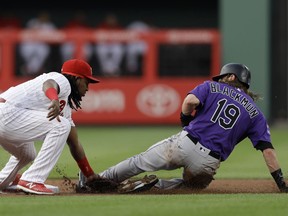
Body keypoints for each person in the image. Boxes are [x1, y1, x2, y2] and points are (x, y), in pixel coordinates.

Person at [80, 63, 288, 193]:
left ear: (232, 77)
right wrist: (281, 183)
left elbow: (190, 102)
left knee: (140, 162)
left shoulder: (211, 86)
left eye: (224, 76)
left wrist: (185, 121)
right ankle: (150, 187)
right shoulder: (256, 113)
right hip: (208, 162)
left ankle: (98, 181)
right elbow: (267, 151)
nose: (221, 79)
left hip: (185, 144)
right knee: (190, 187)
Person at [0, 59, 102, 195]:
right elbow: (49, 85)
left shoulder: (64, 105)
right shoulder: (63, 80)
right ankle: (32, 180)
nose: (88, 88)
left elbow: (74, 142)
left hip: (8, 116)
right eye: (87, 82)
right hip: (7, 113)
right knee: (61, 126)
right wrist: (53, 98)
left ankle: (5, 180)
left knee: (27, 154)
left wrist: (89, 174)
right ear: (76, 78)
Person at [18, 11, 57, 77]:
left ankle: (34, 70)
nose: (43, 18)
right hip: (30, 43)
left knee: (42, 51)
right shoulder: (33, 22)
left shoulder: (50, 25)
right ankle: (30, 68)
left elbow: (54, 37)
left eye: (45, 17)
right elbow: (27, 33)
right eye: (42, 16)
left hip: (42, 44)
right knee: (26, 49)